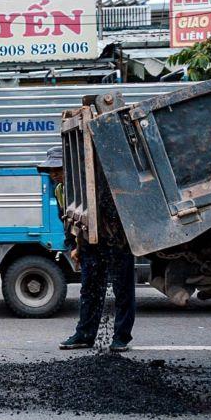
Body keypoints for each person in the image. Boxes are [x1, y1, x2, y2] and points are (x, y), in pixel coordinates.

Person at [47, 147, 137, 353]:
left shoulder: (93, 181)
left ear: (68, 168)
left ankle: (121, 337)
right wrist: (73, 246)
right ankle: (85, 335)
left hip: (117, 240)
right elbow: (67, 219)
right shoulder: (60, 190)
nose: (53, 174)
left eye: (57, 169)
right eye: (50, 170)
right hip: (90, 244)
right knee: (89, 290)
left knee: (122, 289)